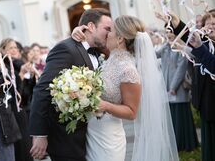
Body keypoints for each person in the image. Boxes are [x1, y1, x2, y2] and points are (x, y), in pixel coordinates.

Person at [72, 15, 179, 161]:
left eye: (111, 31)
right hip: (92, 132)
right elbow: (88, 45)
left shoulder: (128, 70)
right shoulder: (110, 58)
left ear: (120, 39)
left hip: (108, 138)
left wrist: (104, 105)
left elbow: (132, 112)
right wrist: (77, 32)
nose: (107, 34)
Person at [29, 8, 112, 161]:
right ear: (91, 26)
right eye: (107, 29)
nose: (110, 33)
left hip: (92, 134)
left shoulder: (101, 50)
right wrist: (40, 134)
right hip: (66, 138)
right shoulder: (65, 48)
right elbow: (42, 89)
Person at [156, 31, 198, 152]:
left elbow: (181, 69)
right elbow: (155, 54)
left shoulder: (181, 50)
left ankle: (187, 144)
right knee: (173, 117)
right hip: (167, 87)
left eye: (172, 37)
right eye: (167, 37)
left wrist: (173, 87)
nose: (170, 39)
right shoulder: (165, 49)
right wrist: (166, 44)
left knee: (181, 116)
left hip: (178, 88)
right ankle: (177, 144)